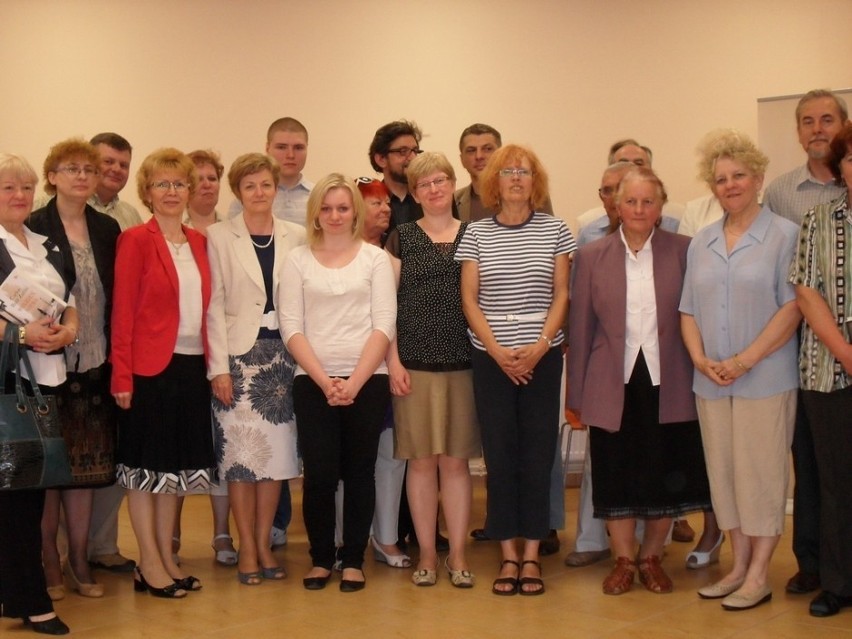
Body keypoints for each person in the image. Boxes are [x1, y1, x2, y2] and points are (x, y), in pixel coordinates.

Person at [569, 166, 711, 597]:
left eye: (648, 201)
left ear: (660, 207)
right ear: (615, 205)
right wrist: (576, 395)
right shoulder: (593, 256)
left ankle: (651, 557)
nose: (638, 208)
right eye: (630, 201)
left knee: (664, 473)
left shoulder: (685, 250)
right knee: (615, 472)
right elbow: (581, 330)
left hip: (671, 381)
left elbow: (695, 317)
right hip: (611, 380)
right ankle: (624, 560)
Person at [679, 131, 800, 611]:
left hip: (765, 379)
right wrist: (699, 359)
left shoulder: (785, 235)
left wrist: (744, 360)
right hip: (710, 381)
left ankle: (759, 573)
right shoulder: (702, 240)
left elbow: (792, 309)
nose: (729, 185)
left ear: (759, 179)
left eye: (739, 176)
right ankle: (736, 565)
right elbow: (687, 310)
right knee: (724, 475)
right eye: (721, 179)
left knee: (762, 475)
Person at [457, 144, 572, 596]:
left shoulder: (557, 230)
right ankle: (507, 556)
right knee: (500, 456)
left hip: (542, 359)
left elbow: (562, 294)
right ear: (494, 183)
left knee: (538, 456)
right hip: (491, 360)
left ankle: (532, 556)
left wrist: (540, 346)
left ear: (535, 180)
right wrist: (498, 351)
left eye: (524, 171)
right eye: (508, 172)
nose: (516, 178)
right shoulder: (476, 234)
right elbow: (470, 299)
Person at [280, 173, 396, 592]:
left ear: (355, 212)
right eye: (326, 208)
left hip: (367, 379)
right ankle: (321, 559)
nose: (334, 215)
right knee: (321, 475)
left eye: (342, 208)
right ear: (315, 213)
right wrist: (326, 380)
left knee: (361, 472)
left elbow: (384, 324)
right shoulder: (297, 260)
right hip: (313, 380)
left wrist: (354, 381)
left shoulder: (374, 259)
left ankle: (353, 560)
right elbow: (292, 326)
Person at [110, 148, 215, 599]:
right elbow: (122, 313)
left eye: (179, 184)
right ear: (147, 192)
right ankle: (148, 561)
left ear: (190, 190)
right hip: (149, 369)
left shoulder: (199, 242)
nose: (171, 192)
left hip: (192, 367)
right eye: (161, 184)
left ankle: (168, 559)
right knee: (144, 470)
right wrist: (121, 377)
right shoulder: (135, 239)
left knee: (175, 468)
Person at [762, 89, 850, 597]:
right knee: (812, 464)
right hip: (802, 352)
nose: (818, 128)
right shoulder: (779, 193)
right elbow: (792, 281)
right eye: (808, 121)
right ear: (797, 131)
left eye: (827, 120)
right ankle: (813, 562)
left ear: (841, 128)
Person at [28, 139, 121, 602]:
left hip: (97, 363)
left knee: (89, 468)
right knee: (52, 468)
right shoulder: (33, 226)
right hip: (48, 365)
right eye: (71, 169)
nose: (82, 176)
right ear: (52, 176)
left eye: (88, 169)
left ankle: (79, 557)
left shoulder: (106, 228)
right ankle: (48, 558)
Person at [207, 153, 306, 585]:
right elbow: (211, 306)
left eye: (266, 184)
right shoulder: (217, 236)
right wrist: (217, 369)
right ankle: (246, 546)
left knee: (277, 460)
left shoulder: (297, 235)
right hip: (238, 360)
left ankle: (265, 543)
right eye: (250, 186)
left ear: (275, 187)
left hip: (285, 358)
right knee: (242, 462)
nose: (259, 193)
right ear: (238, 192)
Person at [385, 153, 480, 588]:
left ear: (452, 183)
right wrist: (393, 361)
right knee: (422, 464)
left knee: (456, 465)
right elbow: (385, 308)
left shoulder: (476, 236)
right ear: (416, 192)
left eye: (441, 180)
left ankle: (458, 555)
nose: (434, 189)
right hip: (414, 368)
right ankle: (426, 553)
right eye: (424, 184)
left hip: (466, 365)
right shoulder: (401, 237)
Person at [0, 153, 77, 635]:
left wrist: (67, 333)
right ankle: (31, 599)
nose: (20, 195)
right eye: (8, 187)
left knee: (28, 495)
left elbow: (71, 308)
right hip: (7, 380)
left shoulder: (47, 244)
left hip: (46, 380)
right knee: (14, 499)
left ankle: (12, 595)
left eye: (26, 187)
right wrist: (23, 337)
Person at [790, 122, 852, 617]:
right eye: (849, 159)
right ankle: (837, 582)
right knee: (834, 484)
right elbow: (806, 292)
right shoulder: (818, 218)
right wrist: (845, 351)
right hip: (827, 371)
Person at [171, 148, 234, 567]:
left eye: (213, 177)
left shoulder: (232, 233)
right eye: (198, 177)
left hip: (226, 353)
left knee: (222, 447)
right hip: (179, 356)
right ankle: (170, 532)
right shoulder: (169, 234)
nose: (206, 183)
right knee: (177, 445)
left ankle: (222, 533)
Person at [355, 177, 410, 569]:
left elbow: (396, 321)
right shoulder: (325, 257)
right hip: (342, 371)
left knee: (391, 455)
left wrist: (394, 363)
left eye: (386, 203)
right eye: (375, 203)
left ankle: (387, 538)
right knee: (349, 459)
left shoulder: (393, 263)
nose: (385, 209)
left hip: (387, 369)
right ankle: (346, 539)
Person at [575, 139, 684, 236]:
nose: (631, 170)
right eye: (622, 164)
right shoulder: (588, 229)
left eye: (638, 164)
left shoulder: (678, 223)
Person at [228, 117, 313, 226]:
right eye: (282, 147)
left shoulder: (320, 197)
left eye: (298, 147)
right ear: (268, 149)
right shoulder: (246, 199)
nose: (290, 155)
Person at [368, 120, 424, 235]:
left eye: (415, 151)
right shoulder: (366, 203)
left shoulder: (428, 197)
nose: (413, 158)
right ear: (381, 159)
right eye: (403, 151)